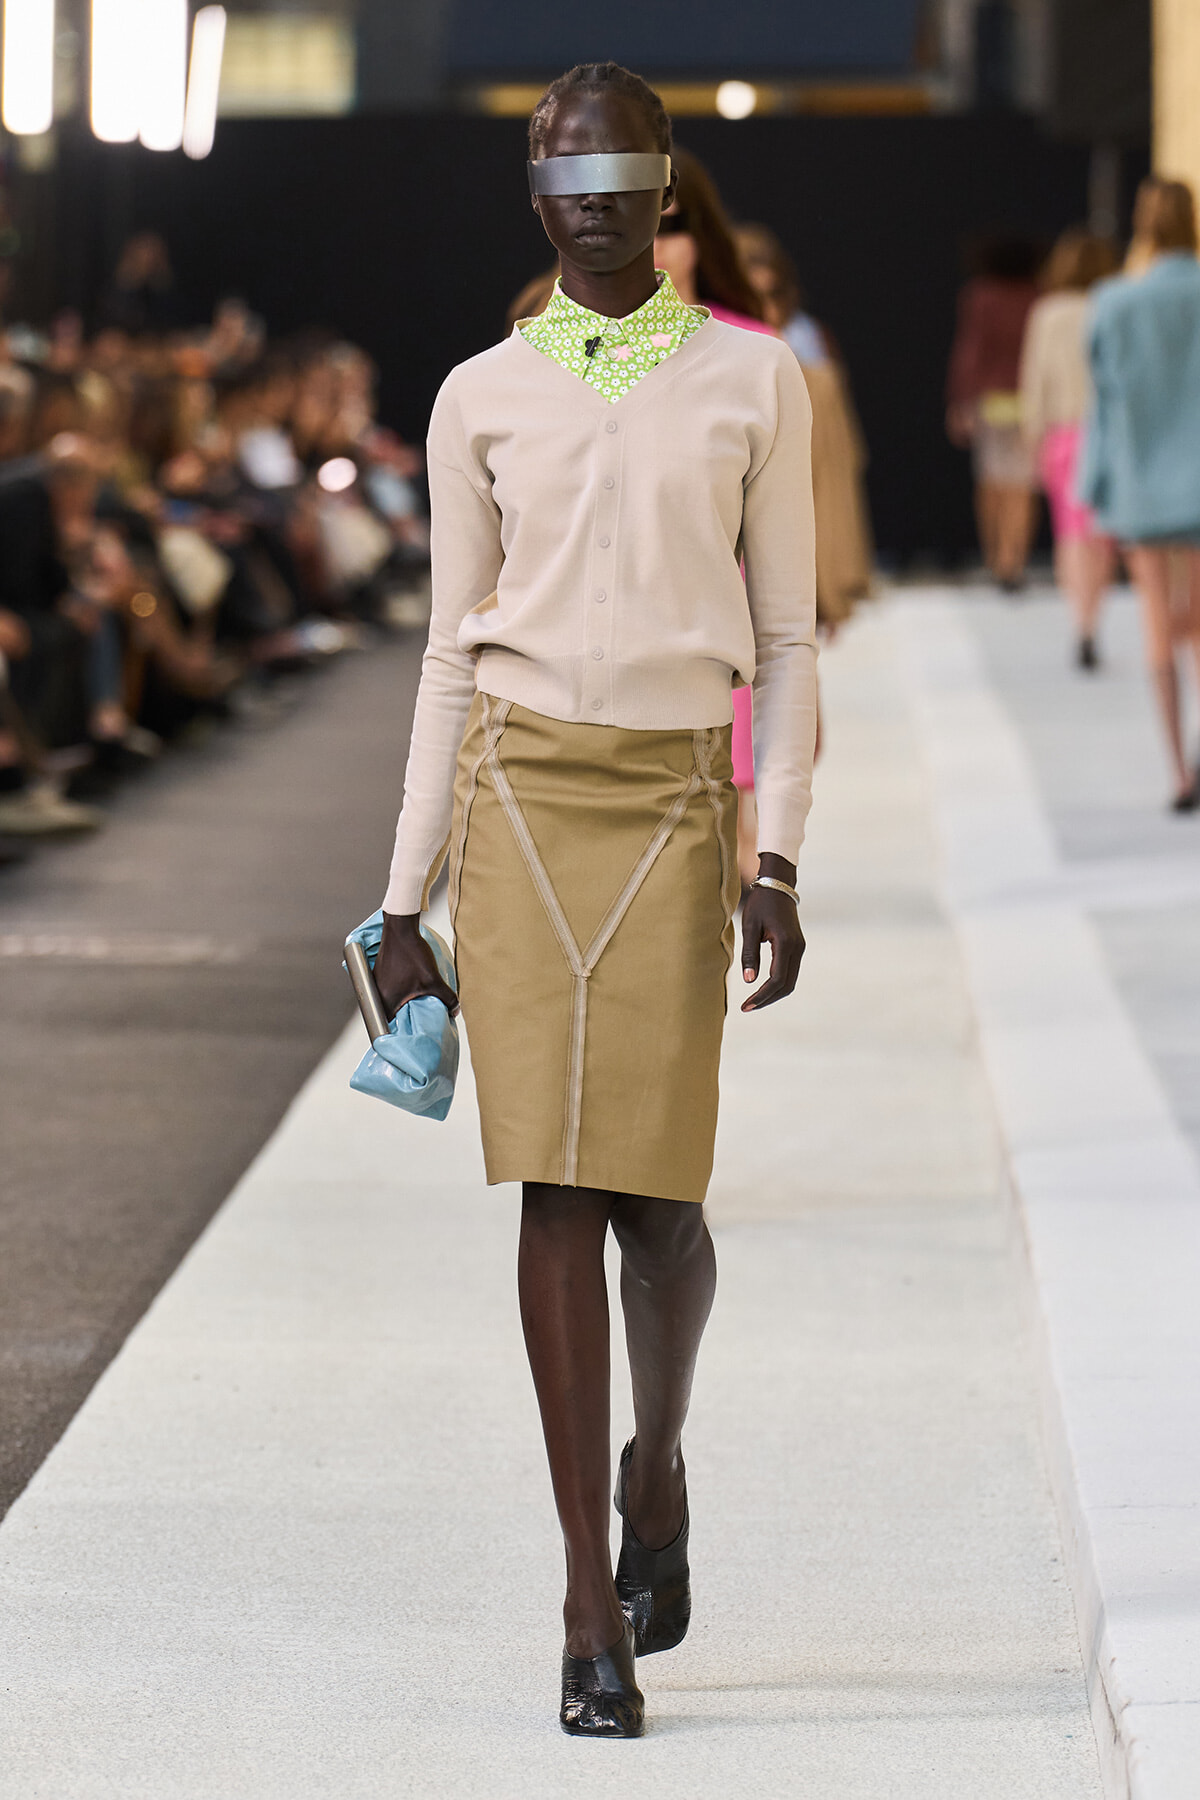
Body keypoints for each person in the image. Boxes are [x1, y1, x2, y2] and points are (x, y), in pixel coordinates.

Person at [371, 62, 816, 1737]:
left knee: (662, 1205)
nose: (598, 198)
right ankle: (583, 1601)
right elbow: (443, 648)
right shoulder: (480, 393)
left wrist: (780, 851)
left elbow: (786, 640)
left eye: (625, 170)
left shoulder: (754, 384)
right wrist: (401, 890)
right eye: (567, 171)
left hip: (678, 809)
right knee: (554, 1191)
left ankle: (659, 1468)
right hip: (517, 799)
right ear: (536, 199)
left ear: (667, 188)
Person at [1080, 177, 1200, 810]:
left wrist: (1094, 483)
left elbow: (1102, 402)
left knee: (1159, 626)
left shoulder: (1115, 302)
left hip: (1144, 486)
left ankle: (1179, 771)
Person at [1019, 228, 1119, 668]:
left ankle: (1080, 622)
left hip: (1062, 433)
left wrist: (1032, 434)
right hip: (1109, 433)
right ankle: (1093, 617)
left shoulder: (1048, 312)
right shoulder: (1112, 308)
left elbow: (1034, 378)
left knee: (1069, 532)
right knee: (1102, 533)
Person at [946, 235, 1042, 590]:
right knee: (1022, 485)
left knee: (992, 484)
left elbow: (971, 350)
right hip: (1029, 399)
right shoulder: (1038, 295)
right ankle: (1013, 560)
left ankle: (996, 557)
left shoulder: (979, 296)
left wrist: (959, 401)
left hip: (990, 400)